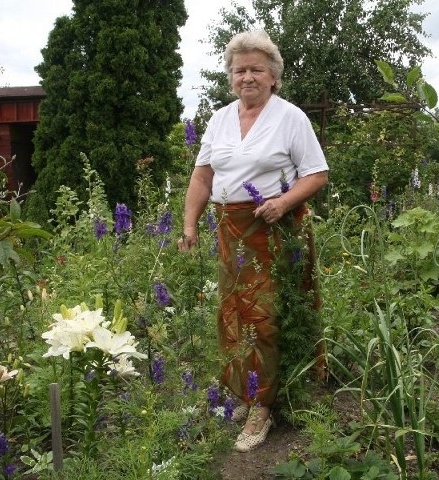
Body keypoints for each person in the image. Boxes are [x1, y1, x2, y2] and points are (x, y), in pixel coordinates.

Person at [178, 30, 328, 452]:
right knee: (232, 313)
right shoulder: (219, 118)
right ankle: (244, 390)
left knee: (265, 318)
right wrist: (190, 225)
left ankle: (263, 407)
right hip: (230, 230)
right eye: (239, 69)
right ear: (230, 76)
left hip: (274, 230)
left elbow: (316, 174)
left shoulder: (290, 117)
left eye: (257, 69)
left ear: (273, 77)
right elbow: (202, 176)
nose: (248, 77)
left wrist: (282, 203)